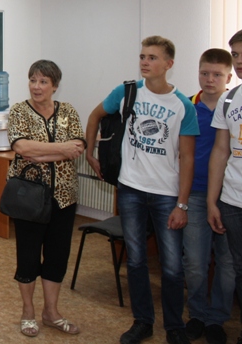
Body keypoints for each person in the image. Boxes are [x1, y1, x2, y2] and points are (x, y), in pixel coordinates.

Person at [86, 36, 198, 344]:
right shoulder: (127, 92)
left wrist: (182, 204)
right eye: (142, 56)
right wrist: (90, 153)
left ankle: (174, 326)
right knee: (135, 261)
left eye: (152, 57)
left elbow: (188, 158)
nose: (145, 62)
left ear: (169, 64)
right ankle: (142, 322)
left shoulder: (183, 106)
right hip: (131, 190)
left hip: (166, 194)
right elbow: (95, 115)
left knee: (172, 266)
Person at [7, 60, 85, 338]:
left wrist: (43, 154)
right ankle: (28, 312)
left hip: (64, 197)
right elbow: (22, 147)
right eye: (32, 80)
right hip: (29, 197)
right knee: (28, 256)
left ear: (55, 86)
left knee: (57, 257)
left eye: (43, 82)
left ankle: (51, 313)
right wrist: (61, 149)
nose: (36, 87)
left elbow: (78, 147)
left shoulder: (68, 111)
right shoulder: (19, 111)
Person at [184, 48, 235, 344]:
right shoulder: (188, 106)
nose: (210, 79)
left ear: (228, 77)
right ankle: (198, 315)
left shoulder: (234, 107)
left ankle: (217, 319)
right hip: (195, 192)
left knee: (227, 264)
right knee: (195, 261)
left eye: (217, 74)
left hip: (230, 196)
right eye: (204, 73)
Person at [208, 30, 242, 344]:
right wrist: (212, 201)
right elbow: (220, 151)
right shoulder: (229, 99)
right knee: (239, 270)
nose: (239, 61)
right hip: (232, 200)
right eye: (236, 55)